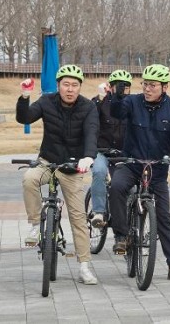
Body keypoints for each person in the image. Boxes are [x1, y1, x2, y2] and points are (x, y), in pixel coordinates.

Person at [109, 64, 170, 281]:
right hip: (131, 163)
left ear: (164, 87)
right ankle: (121, 236)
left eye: (153, 85)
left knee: (164, 216)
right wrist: (117, 97)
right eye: (145, 84)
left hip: (157, 169)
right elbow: (117, 113)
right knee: (117, 186)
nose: (147, 89)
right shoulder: (132, 101)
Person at [16, 65, 99, 285]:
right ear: (59, 85)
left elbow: (92, 133)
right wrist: (25, 96)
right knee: (29, 179)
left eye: (74, 85)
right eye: (66, 84)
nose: (70, 89)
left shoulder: (89, 107)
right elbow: (25, 118)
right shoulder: (46, 101)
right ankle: (35, 225)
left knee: (78, 217)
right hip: (47, 161)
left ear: (80, 87)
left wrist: (88, 157)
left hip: (73, 167)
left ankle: (84, 266)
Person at [89, 69, 132, 228]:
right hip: (102, 151)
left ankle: (126, 215)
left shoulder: (132, 104)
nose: (123, 90)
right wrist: (100, 98)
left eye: (126, 87)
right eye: (120, 86)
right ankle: (98, 212)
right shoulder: (100, 101)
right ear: (111, 87)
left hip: (123, 153)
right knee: (99, 171)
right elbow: (90, 116)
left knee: (122, 183)